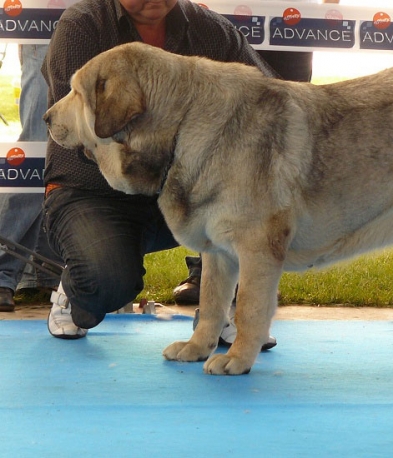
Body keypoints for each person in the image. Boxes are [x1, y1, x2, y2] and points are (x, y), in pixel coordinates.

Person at [42, 0, 280, 341]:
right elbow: (85, 132)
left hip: (181, 190)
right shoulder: (82, 26)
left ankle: (221, 311)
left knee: (246, 198)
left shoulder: (213, 31)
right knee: (106, 282)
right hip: (93, 191)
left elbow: (268, 97)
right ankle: (74, 288)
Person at [173, 0, 340, 307]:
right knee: (216, 152)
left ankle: (259, 277)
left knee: (279, 153)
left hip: (293, 24)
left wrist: (327, 11)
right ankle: (205, 272)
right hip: (222, 17)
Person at [0, 44, 61, 312]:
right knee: (37, 149)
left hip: (92, 17)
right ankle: (3, 273)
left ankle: (45, 272)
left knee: (70, 150)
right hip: (45, 21)